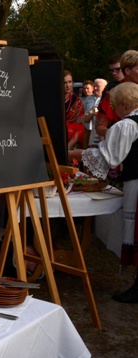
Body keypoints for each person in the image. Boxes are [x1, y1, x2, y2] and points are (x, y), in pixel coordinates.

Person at [82, 82, 138, 303]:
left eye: (114, 105)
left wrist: (77, 153)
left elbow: (108, 157)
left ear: (124, 104)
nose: (113, 109)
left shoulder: (127, 125)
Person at [96, 52, 128, 141]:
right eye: (111, 70)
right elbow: (101, 123)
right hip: (114, 135)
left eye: (117, 69)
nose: (114, 73)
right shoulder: (109, 89)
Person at [64, 70, 85, 152]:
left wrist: (67, 147)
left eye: (70, 82)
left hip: (72, 142)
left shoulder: (77, 102)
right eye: (64, 82)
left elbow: (79, 128)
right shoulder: (53, 101)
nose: (68, 85)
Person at [84, 78, 108, 147]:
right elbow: (85, 118)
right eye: (94, 86)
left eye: (98, 86)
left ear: (105, 87)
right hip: (91, 133)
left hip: (105, 136)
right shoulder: (88, 99)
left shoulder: (109, 99)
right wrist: (93, 113)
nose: (95, 88)